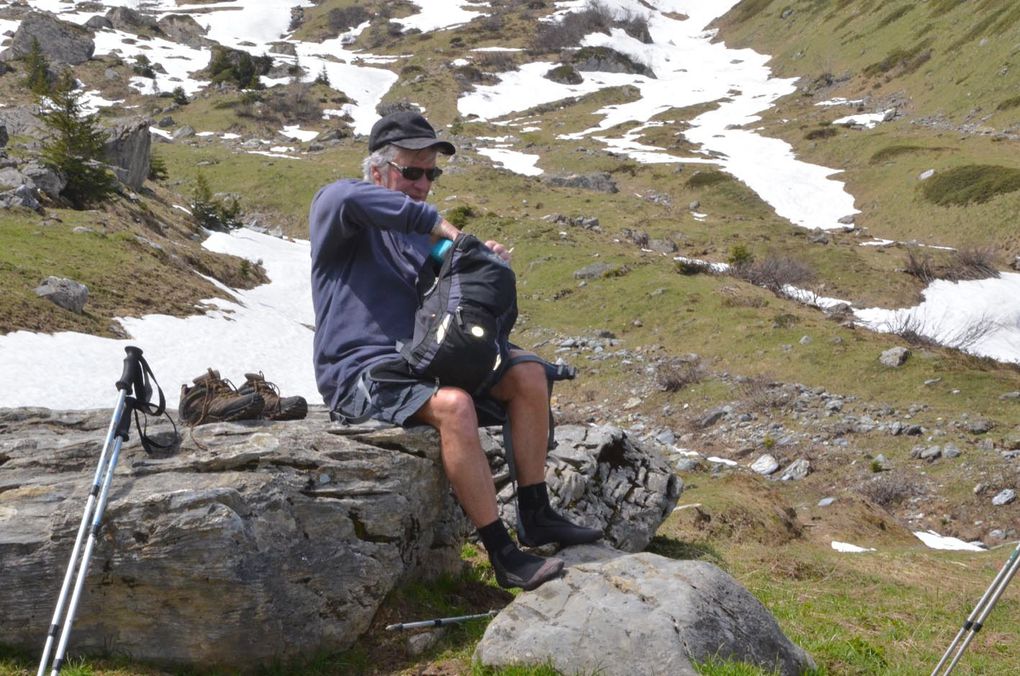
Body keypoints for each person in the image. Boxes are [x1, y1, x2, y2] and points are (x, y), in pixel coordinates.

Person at [308, 111, 601, 591]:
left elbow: (449, 286)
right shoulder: (338, 208)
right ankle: (503, 553)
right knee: (455, 407)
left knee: (529, 373)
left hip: (419, 362)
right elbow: (353, 199)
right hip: (360, 373)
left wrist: (477, 257)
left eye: (432, 174)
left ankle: (536, 512)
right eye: (413, 171)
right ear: (379, 170)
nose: (424, 183)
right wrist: (443, 229)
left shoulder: (415, 245)